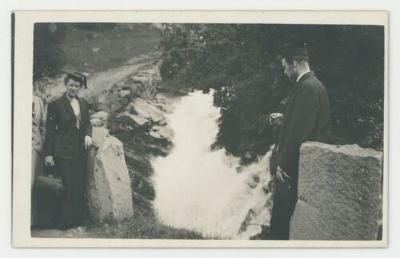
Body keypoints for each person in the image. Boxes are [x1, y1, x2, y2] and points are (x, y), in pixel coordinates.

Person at [268, 43, 330, 239]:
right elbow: (301, 123)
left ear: (294, 63)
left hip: (293, 170)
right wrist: (283, 119)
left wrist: (282, 165)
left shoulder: (307, 88)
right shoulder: (313, 85)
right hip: (299, 168)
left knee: (280, 224)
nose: (285, 72)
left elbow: (299, 133)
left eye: (285, 67)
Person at [43, 71, 92, 229]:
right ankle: (63, 222)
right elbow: (49, 130)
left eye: (77, 86)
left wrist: (88, 135)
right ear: (66, 85)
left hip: (79, 151)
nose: (73, 88)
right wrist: (48, 154)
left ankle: (76, 220)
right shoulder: (56, 105)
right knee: (66, 185)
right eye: (71, 85)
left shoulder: (83, 103)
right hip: (62, 151)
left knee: (78, 184)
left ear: (80, 87)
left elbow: (87, 123)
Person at [31, 92, 47, 226]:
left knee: (33, 184)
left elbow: (43, 125)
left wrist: (44, 147)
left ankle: (32, 220)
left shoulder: (37, 101)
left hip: (35, 148)